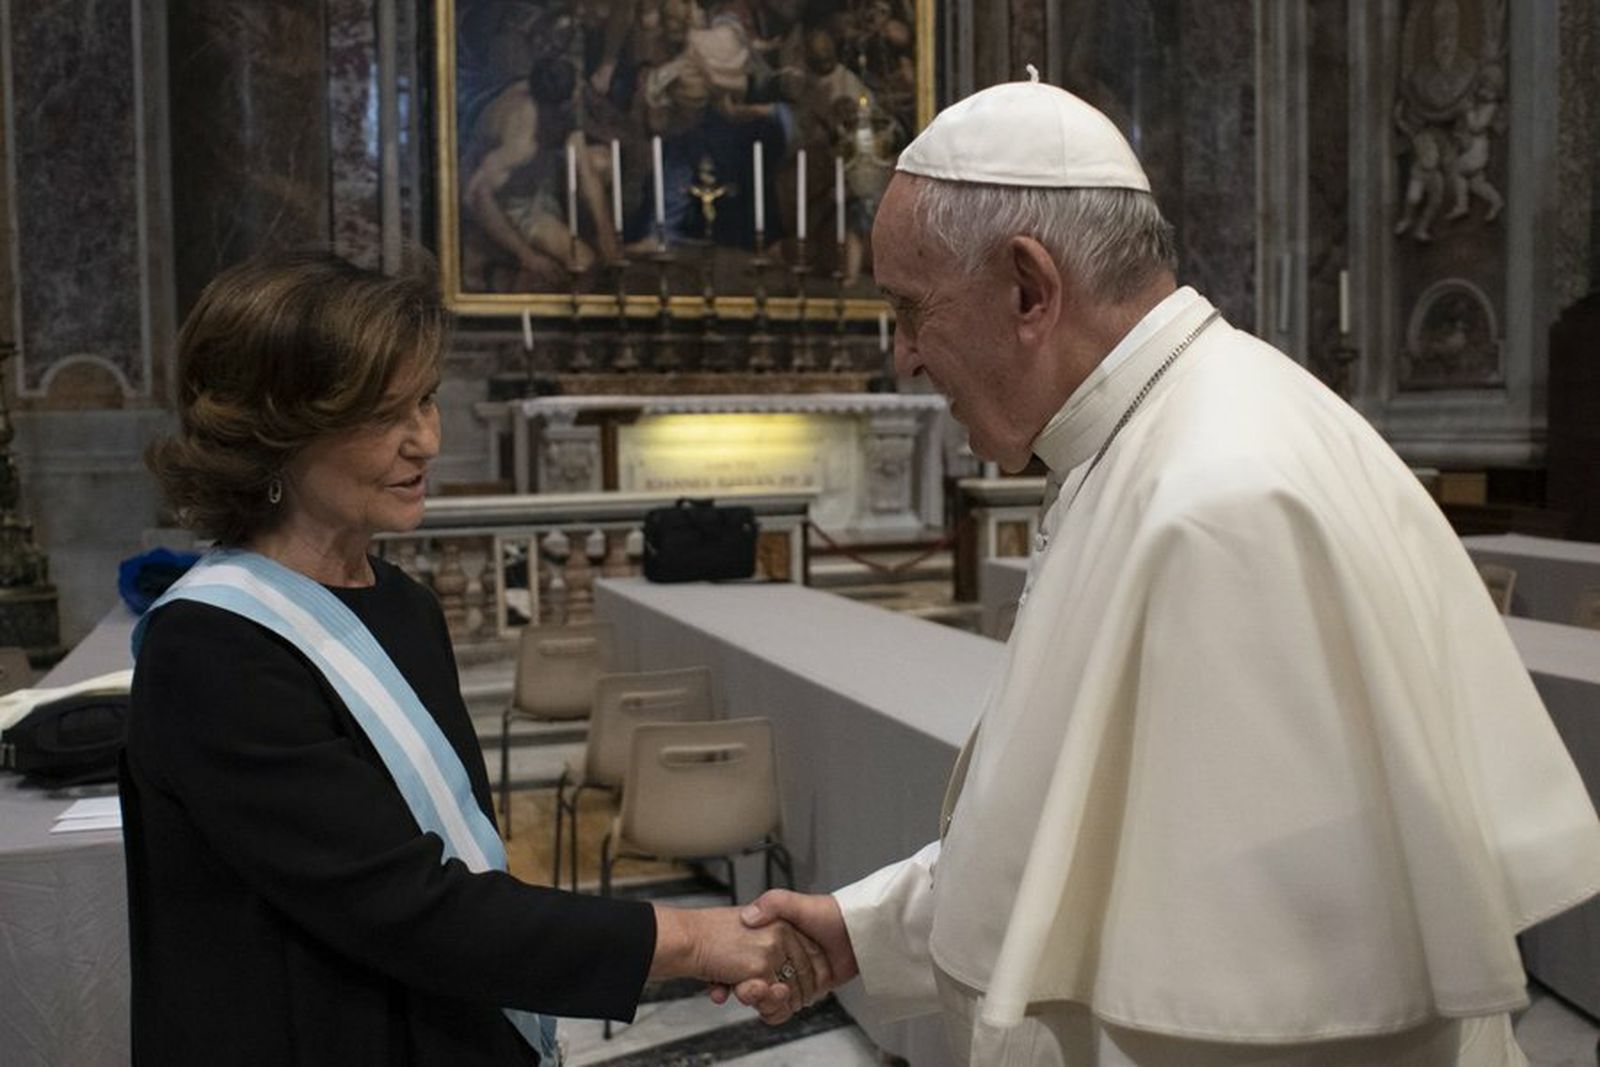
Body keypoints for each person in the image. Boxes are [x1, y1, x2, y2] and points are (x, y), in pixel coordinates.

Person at [732, 74, 1600, 1065]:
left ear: (1027, 288)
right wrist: (865, 929)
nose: (904, 358)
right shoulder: (1159, 439)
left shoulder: (1222, 500)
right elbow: (1088, 846)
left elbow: (1270, 1010)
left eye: (910, 309)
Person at [122, 250, 825, 1066]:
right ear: (277, 428)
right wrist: (696, 939)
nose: (425, 439)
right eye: (385, 414)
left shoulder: (405, 606)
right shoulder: (212, 648)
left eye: (424, 400)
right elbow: (406, 905)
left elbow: (458, 863)